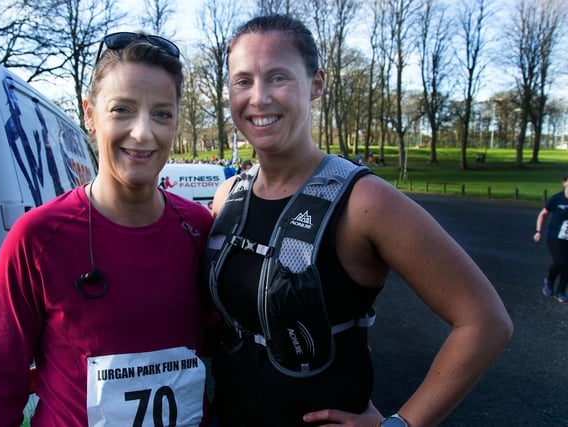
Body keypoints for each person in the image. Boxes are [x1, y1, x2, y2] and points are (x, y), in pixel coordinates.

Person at [203, 14, 512, 427]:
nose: (258, 98)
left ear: (316, 84)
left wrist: (400, 424)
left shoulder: (364, 201)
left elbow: (486, 321)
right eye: (243, 80)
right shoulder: (228, 197)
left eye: (278, 77)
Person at [0, 31, 213, 426]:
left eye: (162, 114)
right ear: (89, 114)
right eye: (122, 110)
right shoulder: (36, 239)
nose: (143, 133)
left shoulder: (200, 229)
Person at [533, 173, 568, 303]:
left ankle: (561, 291)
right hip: (555, 236)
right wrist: (538, 231)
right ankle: (549, 280)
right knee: (560, 261)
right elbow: (543, 214)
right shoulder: (557, 199)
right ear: (564, 183)